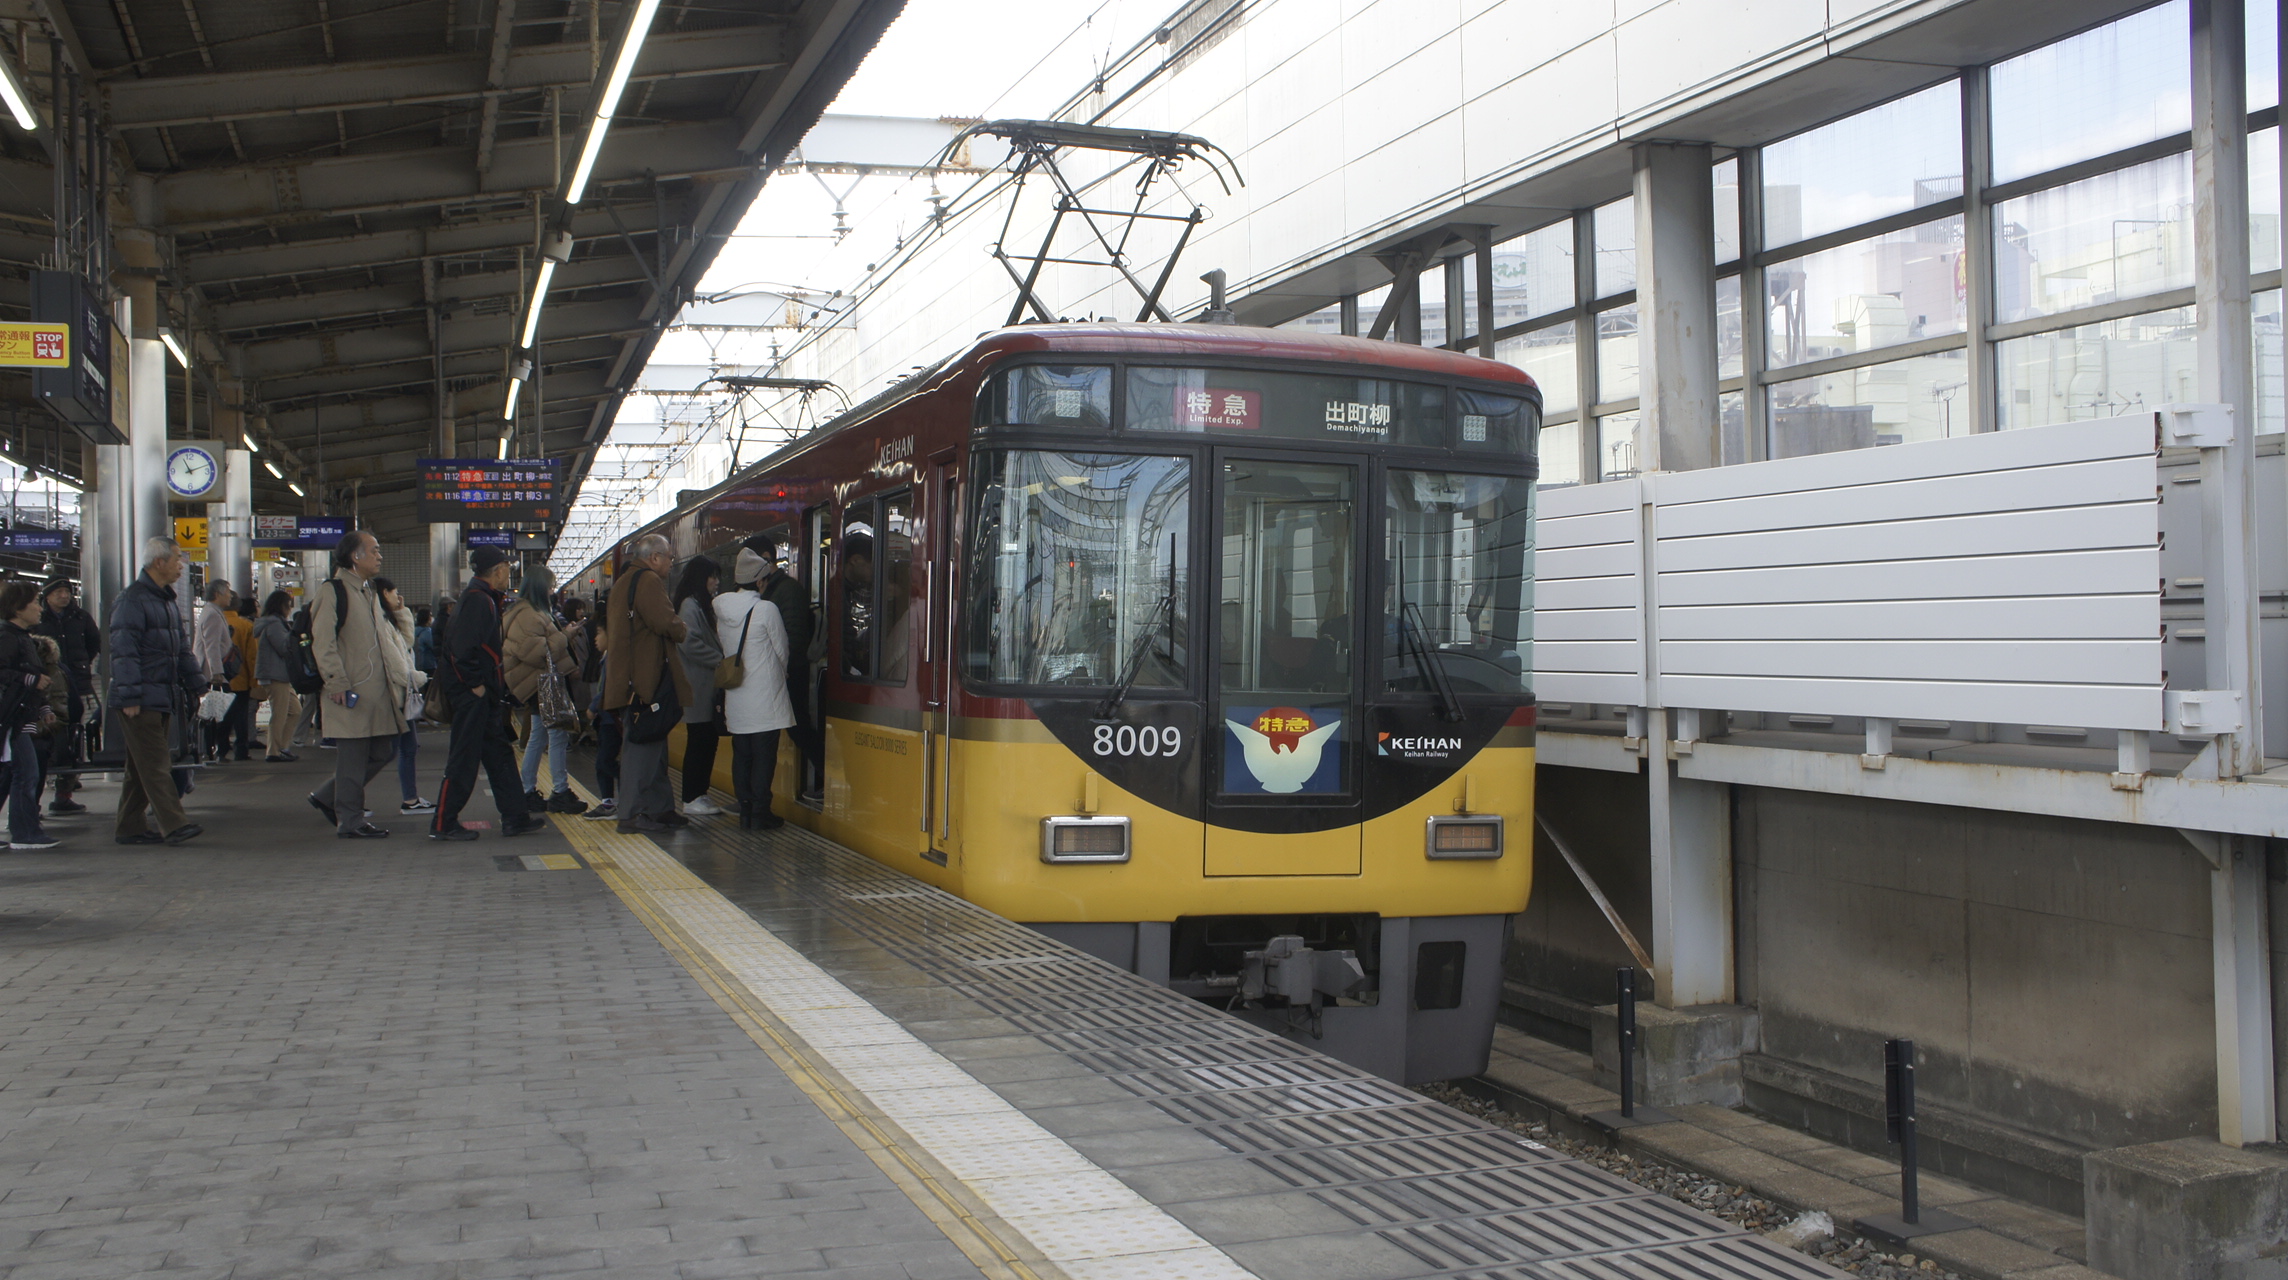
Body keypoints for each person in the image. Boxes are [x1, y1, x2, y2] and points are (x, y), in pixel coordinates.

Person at [432, 548, 544, 841]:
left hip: (484, 695)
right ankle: (443, 823)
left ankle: (515, 818)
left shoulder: (483, 598)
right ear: (497, 570)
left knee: (499, 755)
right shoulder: (477, 601)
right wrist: (475, 684)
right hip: (473, 695)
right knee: (464, 758)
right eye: (508, 567)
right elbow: (461, 648)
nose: (509, 573)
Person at [305, 531, 411, 840]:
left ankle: (328, 796)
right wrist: (336, 682)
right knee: (352, 760)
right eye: (374, 551)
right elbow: (323, 642)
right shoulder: (332, 591)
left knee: (383, 751)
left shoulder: (369, 592)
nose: (379, 556)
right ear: (355, 556)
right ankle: (350, 821)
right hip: (350, 691)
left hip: (377, 692)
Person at [109, 537, 203, 847]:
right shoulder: (132, 601)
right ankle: (174, 825)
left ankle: (129, 827)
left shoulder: (165, 601)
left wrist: (197, 683)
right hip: (141, 698)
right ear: (159, 562)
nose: (181, 565)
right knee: (155, 764)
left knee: (141, 767)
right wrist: (130, 696)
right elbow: (124, 651)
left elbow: (181, 648)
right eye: (177, 559)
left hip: (161, 695)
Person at [602, 533, 690, 835]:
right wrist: (682, 628)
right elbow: (664, 621)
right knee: (641, 749)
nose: (671, 563)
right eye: (669, 558)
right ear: (654, 557)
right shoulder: (648, 580)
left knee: (654, 744)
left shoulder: (625, 581)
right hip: (645, 682)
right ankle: (631, 813)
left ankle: (660, 808)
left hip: (632, 678)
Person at [716, 548, 792, 830]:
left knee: (742, 754)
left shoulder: (723, 610)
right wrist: (781, 673)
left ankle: (745, 811)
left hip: (736, 695)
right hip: (765, 697)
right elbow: (781, 650)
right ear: (760, 581)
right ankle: (761, 811)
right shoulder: (766, 609)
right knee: (763, 755)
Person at [504, 565, 586, 815]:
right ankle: (560, 792)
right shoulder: (528, 615)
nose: (553, 590)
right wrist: (565, 635)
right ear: (540, 587)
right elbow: (537, 652)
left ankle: (527, 791)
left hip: (537, 682)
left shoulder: (530, 611)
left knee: (538, 737)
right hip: (540, 683)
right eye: (550, 586)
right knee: (558, 735)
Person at [746, 541, 821, 803]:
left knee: (797, 727)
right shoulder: (771, 589)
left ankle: (826, 775)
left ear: (767, 559)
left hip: (789, 673)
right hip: (776, 673)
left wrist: (780, 668)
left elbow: (794, 637)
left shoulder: (787, 591)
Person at [0, 582, 60, 850]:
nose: (39, 608)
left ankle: (24, 830)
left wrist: (43, 708)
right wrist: (29, 680)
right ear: (18, 608)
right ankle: (25, 833)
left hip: (20, 715)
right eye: (35, 602)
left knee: (16, 774)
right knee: (26, 774)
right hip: (11, 718)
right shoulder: (8, 638)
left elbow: (34, 678)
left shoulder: (22, 637)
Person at [33, 578, 99, 815]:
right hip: (45, 688)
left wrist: (80, 665)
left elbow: (94, 643)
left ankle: (64, 795)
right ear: (47, 595)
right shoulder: (37, 618)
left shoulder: (81, 617)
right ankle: (33, 801)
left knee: (74, 739)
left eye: (67, 591)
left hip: (76, 684)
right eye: (58, 592)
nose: (64, 596)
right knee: (42, 742)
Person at [372, 577, 433, 816]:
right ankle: (340, 797)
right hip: (394, 695)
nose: (398, 597)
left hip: (401, 697)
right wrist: (418, 678)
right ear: (383, 593)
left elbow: (407, 643)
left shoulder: (388, 620)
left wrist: (401, 612)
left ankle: (410, 799)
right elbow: (396, 667)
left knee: (407, 747)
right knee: (383, 753)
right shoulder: (378, 622)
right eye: (394, 593)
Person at [671, 557, 725, 816]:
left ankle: (699, 793)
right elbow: (688, 643)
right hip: (698, 685)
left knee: (706, 740)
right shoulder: (690, 606)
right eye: (712, 576)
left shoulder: (698, 605)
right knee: (700, 741)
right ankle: (692, 797)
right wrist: (720, 660)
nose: (716, 582)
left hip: (704, 684)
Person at [252, 591, 302, 763]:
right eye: (288, 605)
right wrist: (294, 637)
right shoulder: (274, 624)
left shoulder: (277, 623)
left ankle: (282, 747)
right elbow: (283, 647)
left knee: (295, 711)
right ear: (281, 606)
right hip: (275, 675)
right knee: (279, 714)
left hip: (281, 675)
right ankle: (273, 751)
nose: (290, 609)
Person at [193, 580, 235, 762]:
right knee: (219, 714)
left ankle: (216, 749)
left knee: (217, 714)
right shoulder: (212, 615)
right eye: (228, 592)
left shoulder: (214, 612)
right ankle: (214, 750)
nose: (231, 596)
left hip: (212, 672)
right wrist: (217, 673)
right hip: (212, 675)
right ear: (218, 594)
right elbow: (212, 646)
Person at [224, 596, 260, 760]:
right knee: (241, 717)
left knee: (221, 715)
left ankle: (221, 747)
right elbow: (252, 657)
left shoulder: (217, 621)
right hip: (241, 679)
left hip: (220, 679)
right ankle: (241, 750)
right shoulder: (246, 626)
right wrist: (254, 680)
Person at [286, 603, 326, 750]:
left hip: (309, 670)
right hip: (316, 669)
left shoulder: (300, 626)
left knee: (310, 704)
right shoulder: (313, 625)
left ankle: (300, 737)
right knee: (315, 703)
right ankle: (320, 736)